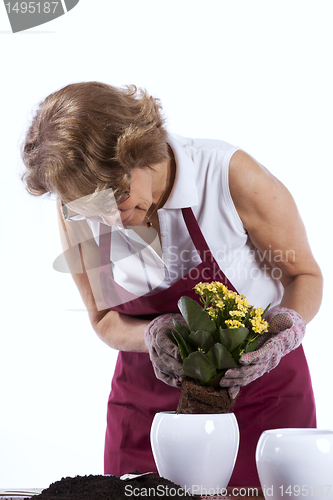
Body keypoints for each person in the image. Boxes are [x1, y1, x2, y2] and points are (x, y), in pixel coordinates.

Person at [21, 81, 323, 487]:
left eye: (120, 196)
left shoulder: (226, 175)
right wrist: (154, 333)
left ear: (140, 151)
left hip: (259, 394)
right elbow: (103, 318)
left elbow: (303, 273)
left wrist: (285, 328)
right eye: (92, 208)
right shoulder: (79, 203)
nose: (109, 220)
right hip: (149, 410)